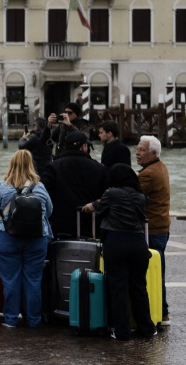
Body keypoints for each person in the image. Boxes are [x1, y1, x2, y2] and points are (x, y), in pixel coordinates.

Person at [0, 149, 53, 328]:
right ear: (31, 165)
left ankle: (11, 319)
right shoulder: (39, 187)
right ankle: (33, 320)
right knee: (33, 280)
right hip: (36, 239)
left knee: (10, 280)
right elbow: (49, 211)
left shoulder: (2, 186)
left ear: (12, 164)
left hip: (7, 237)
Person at [91, 163, 151, 339]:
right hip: (138, 244)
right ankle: (146, 328)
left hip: (116, 243)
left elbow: (100, 211)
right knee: (139, 287)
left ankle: (122, 331)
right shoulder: (142, 197)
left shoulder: (111, 193)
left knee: (119, 288)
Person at [41, 131, 105, 240]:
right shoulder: (99, 168)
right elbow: (105, 197)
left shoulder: (53, 167)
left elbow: (44, 195)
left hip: (61, 228)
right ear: (84, 147)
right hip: (90, 228)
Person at [137, 134, 172, 316]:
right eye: (137, 148)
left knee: (153, 272)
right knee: (158, 271)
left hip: (152, 230)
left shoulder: (148, 174)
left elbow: (131, 194)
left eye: (142, 150)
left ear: (152, 153)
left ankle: (160, 310)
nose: (137, 152)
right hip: (161, 227)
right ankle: (161, 310)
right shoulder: (161, 166)